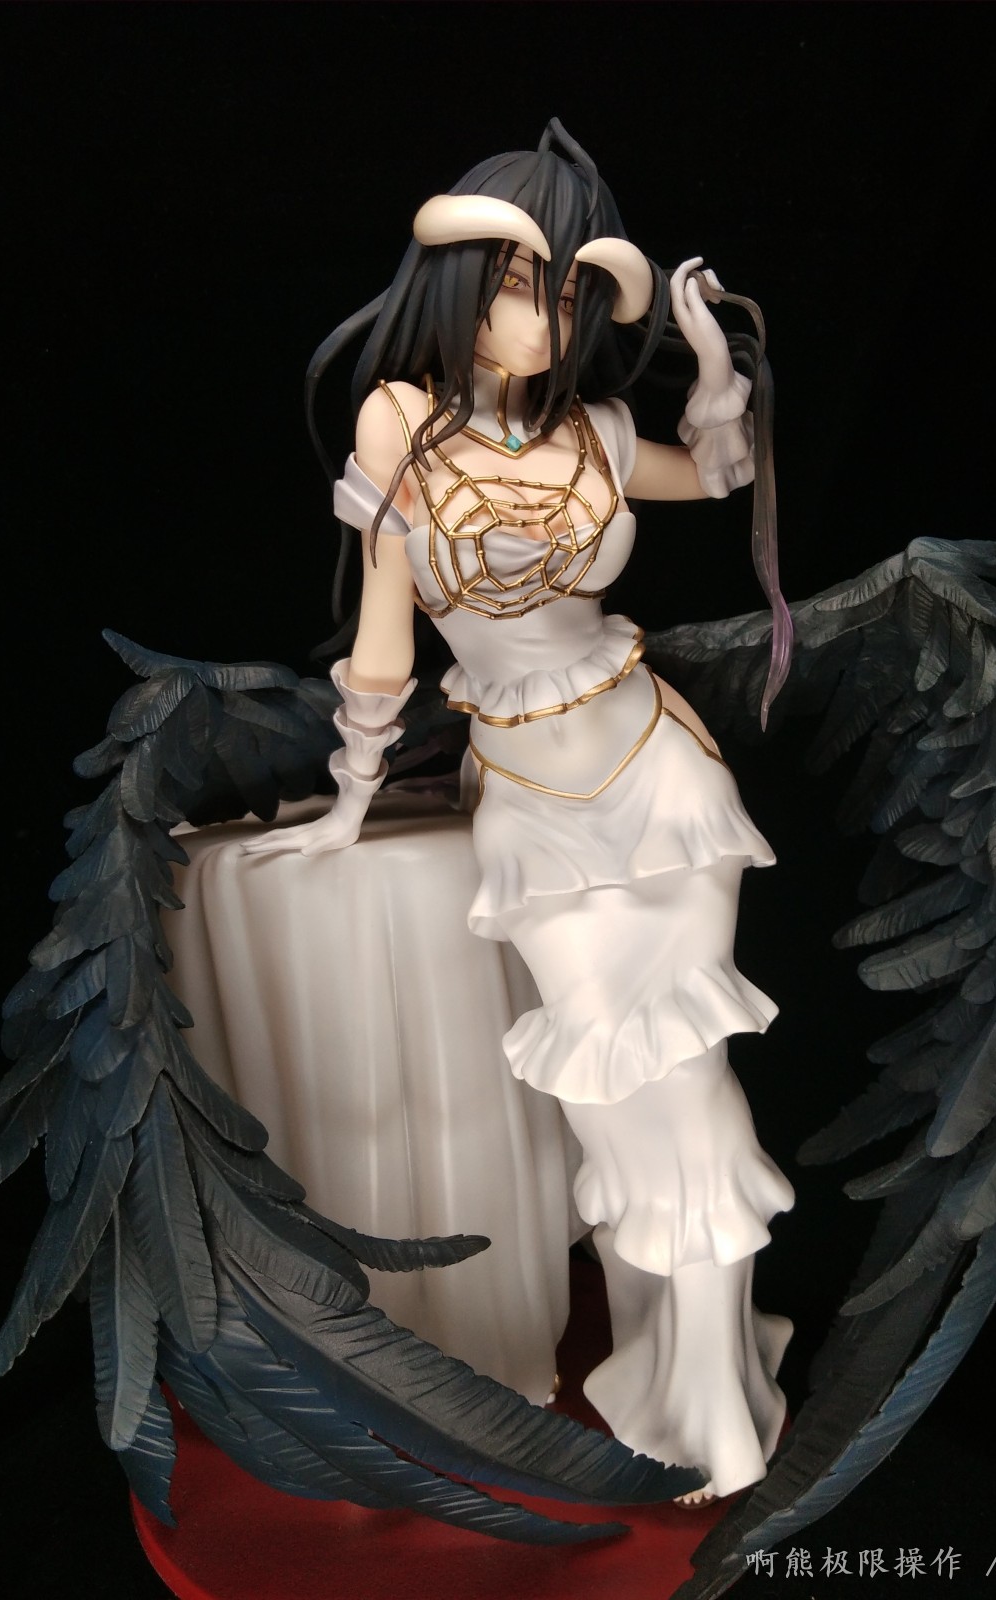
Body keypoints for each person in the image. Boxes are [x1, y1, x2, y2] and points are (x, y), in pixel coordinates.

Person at [243, 121, 795, 1501]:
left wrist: (713, 366)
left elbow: (718, 476)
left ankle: (714, 1399)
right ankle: (675, 1372)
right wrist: (352, 794)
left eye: (566, 294)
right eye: (514, 285)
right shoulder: (399, 424)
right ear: (456, 284)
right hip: (532, 803)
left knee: (694, 1081)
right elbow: (385, 639)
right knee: (616, 1097)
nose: (542, 320)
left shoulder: (599, 430)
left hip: (660, 773)